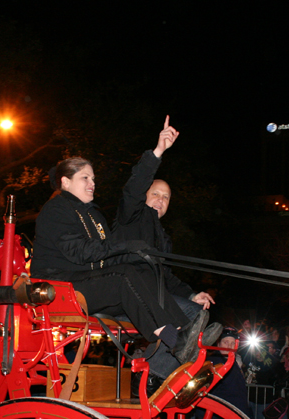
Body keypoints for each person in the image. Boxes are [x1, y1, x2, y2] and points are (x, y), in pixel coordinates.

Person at [31, 155, 221, 385]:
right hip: (57, 286)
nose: (92, 183)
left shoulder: (94, 215)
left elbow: (112, 258)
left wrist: (132, 254)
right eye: (85, 178)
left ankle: (182, 337)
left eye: (93, 178)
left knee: (131, 273)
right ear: (65, 181)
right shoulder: (56, 208)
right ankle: (174, 340)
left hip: (86, 283)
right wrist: (128, 247)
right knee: (125, 274)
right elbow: (80, 251)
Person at [112, 115, 215, 321]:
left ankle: (168, 344)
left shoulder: (162, 237)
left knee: (195, 312)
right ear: (144, 196)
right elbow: (133, 189)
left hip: (149, 299)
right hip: (123, 296)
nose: (161, 200)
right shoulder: (131, 216)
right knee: (190, 315)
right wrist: (158, 151)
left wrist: (192, 295)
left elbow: (164, 276)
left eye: (166, 197)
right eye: (156, 194)